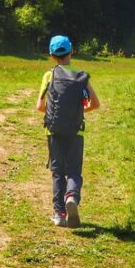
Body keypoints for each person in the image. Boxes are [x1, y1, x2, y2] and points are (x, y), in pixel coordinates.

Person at [35, 35, 100, 228]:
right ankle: (71, 196)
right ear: (72, 51)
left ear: (51, 55)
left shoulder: (49, 75)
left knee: (57, 172)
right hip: (75, 132)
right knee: (73, 171)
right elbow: (95, 104)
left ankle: (59, 214)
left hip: (53, 131)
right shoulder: (81, 75)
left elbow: (40, 106)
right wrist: (79, 112)